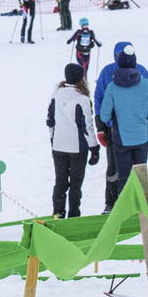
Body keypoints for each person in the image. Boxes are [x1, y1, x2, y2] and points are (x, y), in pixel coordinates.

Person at [96, 44, 148, 206]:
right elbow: (98, 98)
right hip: (131, 132)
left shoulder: (140, 72)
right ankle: (114, 203)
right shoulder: (107, 72)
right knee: (122, 170)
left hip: (119, 133)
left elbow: (104, 109)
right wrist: (101, 128)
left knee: (126, 172)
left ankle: (128, 206)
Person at [46, 64, 99, 219]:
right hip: (77, 149)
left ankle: (58, 212)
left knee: (60, 182)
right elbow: (87, 127)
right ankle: (74, 215)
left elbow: (50, 121)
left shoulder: (57, 94)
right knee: (75, 184)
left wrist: (53, 139)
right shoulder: (82, 99)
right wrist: (94, 148)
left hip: (58, 146)